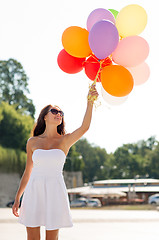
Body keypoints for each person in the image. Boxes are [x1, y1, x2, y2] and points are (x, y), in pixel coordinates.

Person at [12, 85, 98, 240]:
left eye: (61, 113)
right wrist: (18, 196)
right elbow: (28, 171)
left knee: (52, 238)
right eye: (54, 111)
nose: (59, 114)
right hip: (34, 190)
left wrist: (90, 102)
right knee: (32, 237)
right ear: (45, 116)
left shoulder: (65, 140)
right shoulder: (32, 142)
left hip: (55, 191)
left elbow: (85, 127)